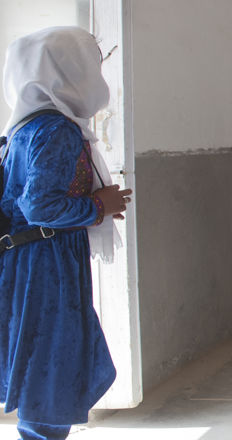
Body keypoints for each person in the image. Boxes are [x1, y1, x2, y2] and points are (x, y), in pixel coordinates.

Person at [0, 27, 132, 439]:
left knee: (47, 356)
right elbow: (40, 206)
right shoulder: (56, 129)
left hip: (31, 258)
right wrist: (99, 206)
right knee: (53, 359)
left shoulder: (25, 127)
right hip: (46, 263)